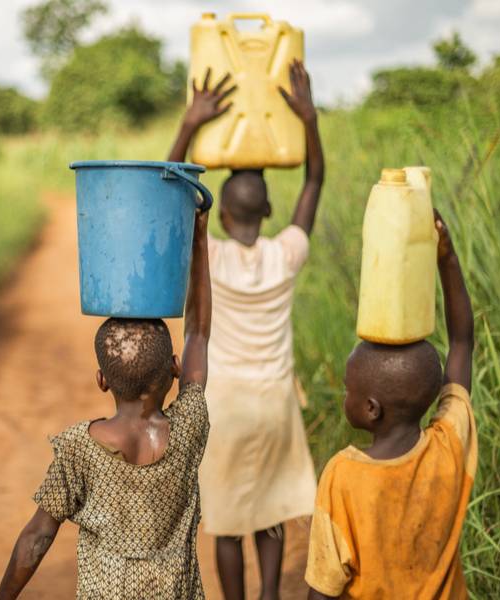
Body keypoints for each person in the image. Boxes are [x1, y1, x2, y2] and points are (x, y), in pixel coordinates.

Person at [0, 208, 213, 599]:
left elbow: (37, 537)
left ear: (101, 380)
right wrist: (198, 240)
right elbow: (198, 334)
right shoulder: (189, 426)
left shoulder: (79, 450)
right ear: (175, 369)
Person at [166, 60, 324, 600]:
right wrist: (309, 119)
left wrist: (191, 123)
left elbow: (168, 191)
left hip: (225, 403)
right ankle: (270, 596)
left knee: (229, 516)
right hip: (277, 399)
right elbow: (315, 181)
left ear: (220, 213)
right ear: (269, 211)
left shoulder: (209, 256)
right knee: (272, 505)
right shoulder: (286, 254)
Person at [305, 213, 475, 599]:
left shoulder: (343, 477)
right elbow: (462, 343)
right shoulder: (449, 444)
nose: (344, 395)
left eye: (349, 389)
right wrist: (446, 258)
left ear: (371, 409)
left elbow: (323, 589)